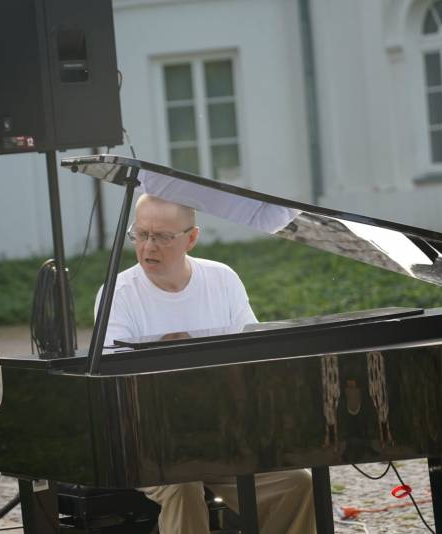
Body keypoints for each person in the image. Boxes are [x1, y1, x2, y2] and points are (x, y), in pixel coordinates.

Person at [96, 194, 316, 533]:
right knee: (183, 487)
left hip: (223, 435)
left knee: (298, 483)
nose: (148, 247)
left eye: (162, 236)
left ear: (191, 238)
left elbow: (255, 355)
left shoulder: (221, 279)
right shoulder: (118, 293)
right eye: (140, 234)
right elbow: (116, 384)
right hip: (152, 443)